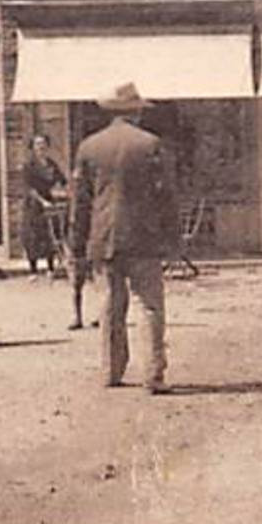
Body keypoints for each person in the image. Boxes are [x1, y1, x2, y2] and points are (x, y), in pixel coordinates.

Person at [70, 83, 180, 393]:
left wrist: (77, 245)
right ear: (137, 111)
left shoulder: (89, 147)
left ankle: (111, 371)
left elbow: (80, 203)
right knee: (149, 306)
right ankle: (153, 374)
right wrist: (173, 241)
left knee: (110, 306)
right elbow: (167, 197)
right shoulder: (151, 145)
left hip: (103, 237)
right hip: (144, 238)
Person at [21, 133, 69, 280]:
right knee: (33, 236)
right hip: (34, 204)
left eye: (43, 144)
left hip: (50, 202)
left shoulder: (51, 164)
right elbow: (29, 187)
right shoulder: (29, 166)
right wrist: (42, 201)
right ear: (33, 148)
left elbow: (62, 180)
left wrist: (64, 192)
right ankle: (33, 270)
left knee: (50, 234)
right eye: (37, 144)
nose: (41, 147)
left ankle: (50, 267)